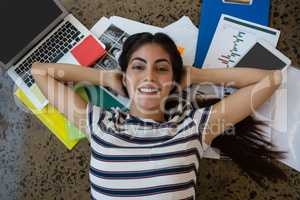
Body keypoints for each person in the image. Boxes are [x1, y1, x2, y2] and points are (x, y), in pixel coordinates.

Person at [31, 32, 286, 199]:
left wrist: (198, 76)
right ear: (125, 76)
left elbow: (271, 78)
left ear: (174, 80)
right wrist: (105, 77)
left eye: (161, 69)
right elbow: (40, 72)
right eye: (138, 67)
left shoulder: (193, 127)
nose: (150, 76)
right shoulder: (100, 124)